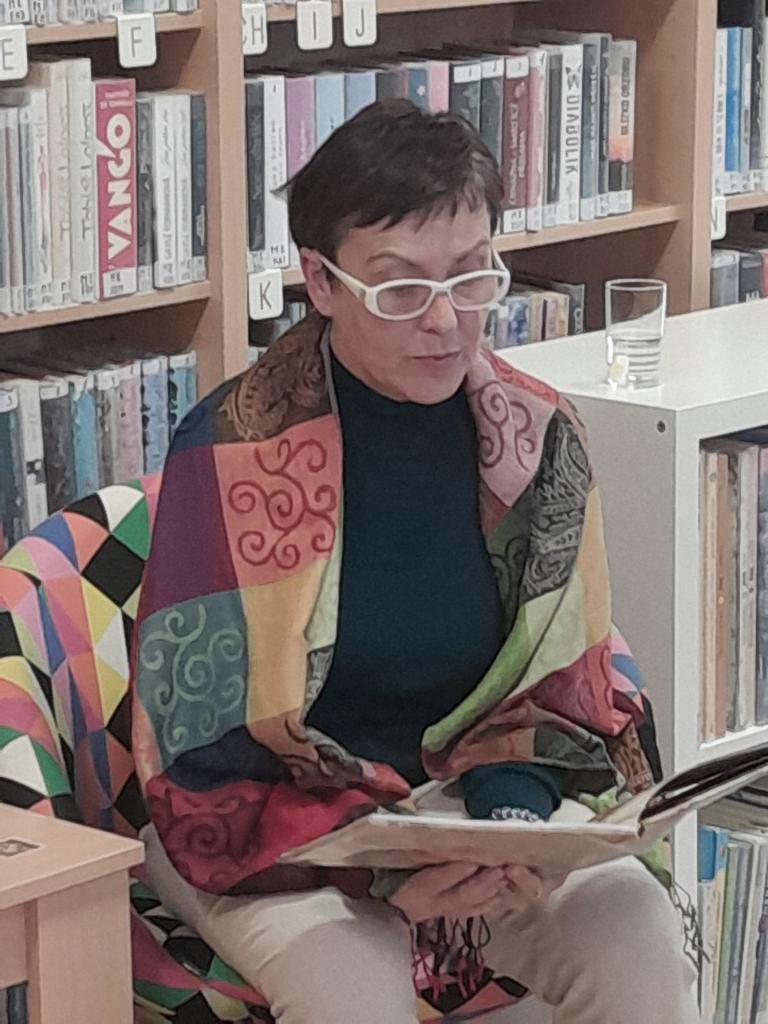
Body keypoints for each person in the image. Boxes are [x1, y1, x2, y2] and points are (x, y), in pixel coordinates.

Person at [132, 99, 700, 1024]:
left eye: (472, 278)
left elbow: (564, 686)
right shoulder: (231, 452)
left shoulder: (537, 439)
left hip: (472, 810)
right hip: (274, 830)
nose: (446, 321)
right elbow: (200, 739)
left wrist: (511, 823)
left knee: (633, 928)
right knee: (353, 992)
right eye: (400, 290)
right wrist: (390, 871)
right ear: (320, 281)